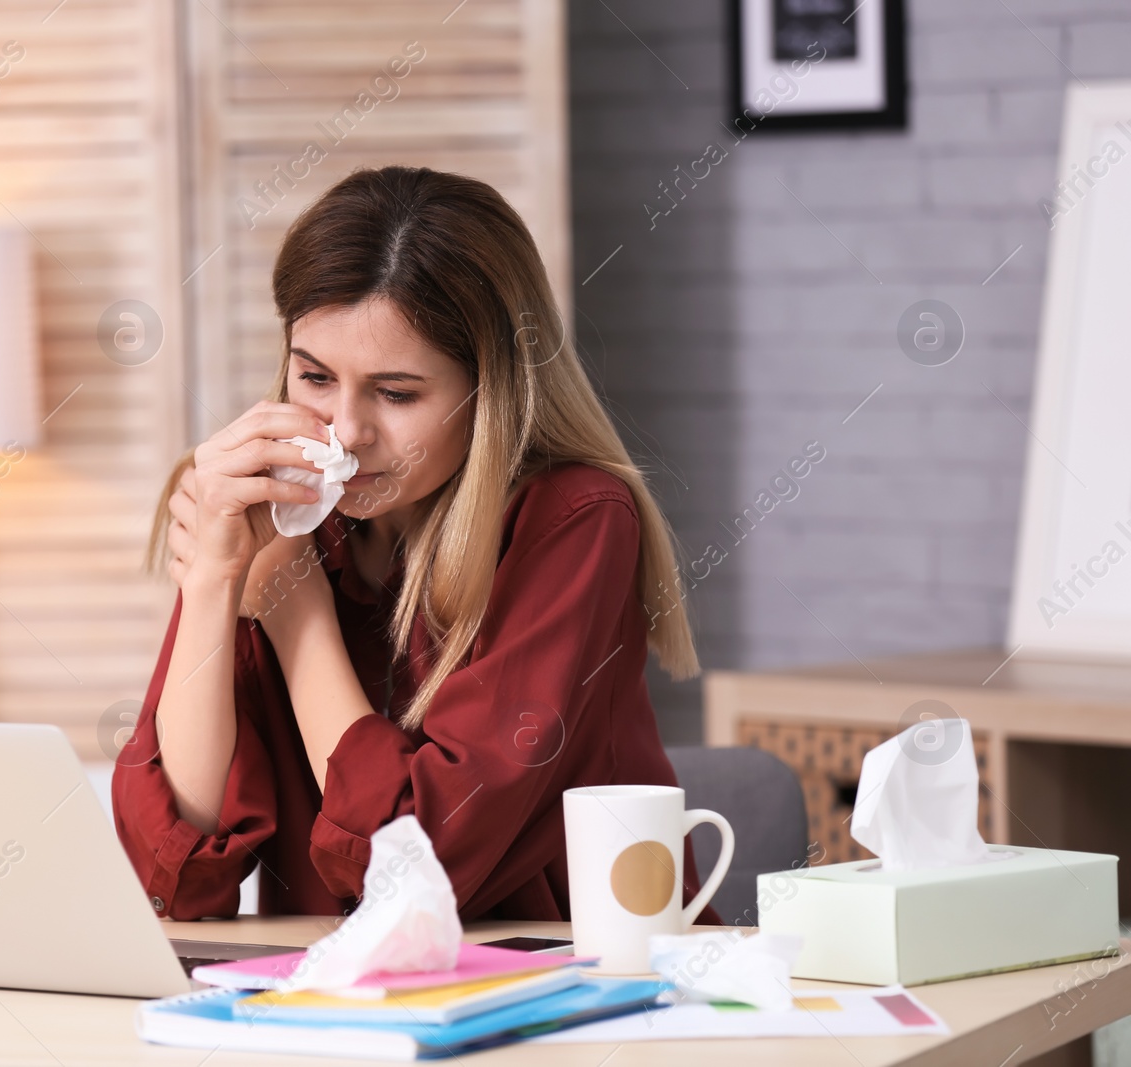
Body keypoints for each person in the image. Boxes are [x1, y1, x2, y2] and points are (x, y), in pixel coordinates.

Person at [112, 164, 720, 926]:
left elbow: (421, 866)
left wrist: (296, 619)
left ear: (491, 386)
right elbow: (178, 869)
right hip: (345, 999)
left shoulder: (574, 520)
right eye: (314, 376)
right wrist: (212, 585)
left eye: (397, 393)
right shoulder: (271, 508)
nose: (349, 430)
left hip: (569, 989)